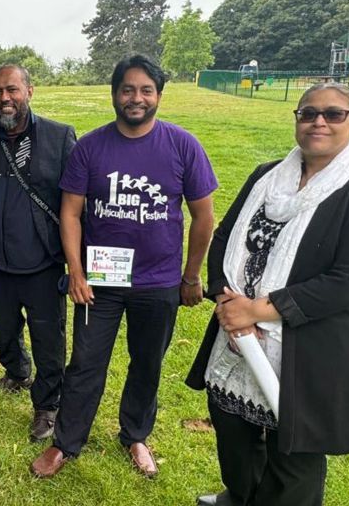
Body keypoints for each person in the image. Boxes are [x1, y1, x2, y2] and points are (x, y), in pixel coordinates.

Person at [186, 83, 349, 506]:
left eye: (334, 114)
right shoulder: (266, 177)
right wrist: (228, 304)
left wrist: (260, 311)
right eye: (308, 113)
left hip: (310, 343)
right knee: (233, 429)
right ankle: (240, 495)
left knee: (294, 455)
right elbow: (226, 237)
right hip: (237, 333)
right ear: (297, 120)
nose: (319, 122)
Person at [31, 55, 218, 478]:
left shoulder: (182, 145)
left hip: (159, 281)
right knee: (85, 363)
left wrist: (191, 276)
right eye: (128, 89)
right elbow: (71, 214)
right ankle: (65, 444)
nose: (136, 98)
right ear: (115, 94)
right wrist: (76, 272)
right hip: (101, 279)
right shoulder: (91, 147)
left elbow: (203, 217)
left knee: (147, 362)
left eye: (146, 90)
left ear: (159, 96)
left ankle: (135, 435)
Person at [0, 64, 76, 442]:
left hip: (44, 262)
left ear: (30, 91)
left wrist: (78, 262)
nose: (4, 98)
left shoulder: (59, 137)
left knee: (48, 336)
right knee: (3, 328)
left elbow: (76, 204)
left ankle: (47, 405)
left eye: (12, 90)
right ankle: (16, 371)